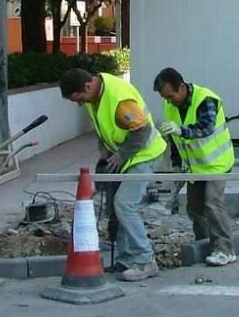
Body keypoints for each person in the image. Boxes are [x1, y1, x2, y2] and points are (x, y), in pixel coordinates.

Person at [58, 68, 166, 282]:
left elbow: (142, 130)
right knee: (115, 208)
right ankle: (126, 260)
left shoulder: (117, 98)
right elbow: (104, 127)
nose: (79, 103)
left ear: (88, 86)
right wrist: (104, 150)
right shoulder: (94, 98)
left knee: (125, 204)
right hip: (127, 156)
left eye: (79, 98)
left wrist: (120, 155)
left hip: (145, 154)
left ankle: (146, 261)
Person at [153, 67, 237, 267]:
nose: (168, 101)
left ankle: (225, 250)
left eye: (171, 96)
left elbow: (206, 128)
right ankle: (204, 245)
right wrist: (175, 165)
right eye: (165, 98)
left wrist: (181, 130)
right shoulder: (170, 107)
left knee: (213, 204)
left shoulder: (206, 99)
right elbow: (174, 140)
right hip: (195, 167)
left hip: (216, 164)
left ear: (181, 87)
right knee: (195, 208)